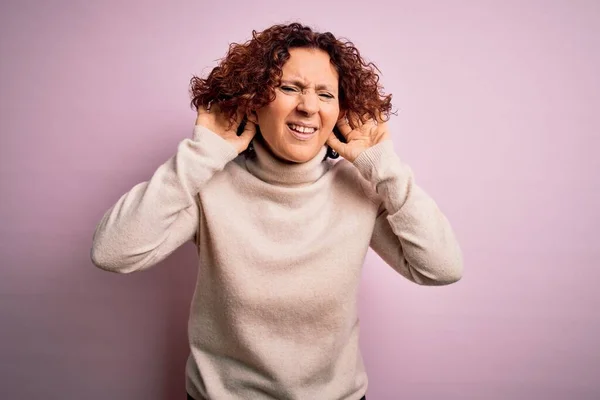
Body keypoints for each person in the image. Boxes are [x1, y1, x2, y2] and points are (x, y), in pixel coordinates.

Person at [91, 22, 463, 400]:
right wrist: (200, 155)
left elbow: (441, 267)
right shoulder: (208, 186)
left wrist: (384, 166)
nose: (308, 107)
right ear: (254, 98)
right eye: (289, 88)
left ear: (341, 108)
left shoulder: (360, 190)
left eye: (325, 94)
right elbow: (112, 252)